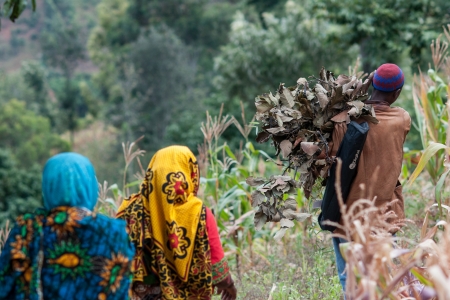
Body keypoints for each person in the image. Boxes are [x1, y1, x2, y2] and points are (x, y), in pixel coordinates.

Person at [0, 153, 134, 300]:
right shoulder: (114, 232)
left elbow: (5, 285)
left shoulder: (26, 229)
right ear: (91, 185)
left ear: (47, 186)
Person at [329, 63, 411, 292]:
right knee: (383, 280)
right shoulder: (401, 120)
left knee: (350, 281)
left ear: (372, 83)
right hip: (382, 218)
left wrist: (365, 85)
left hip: (347, 218)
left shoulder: (343, 120)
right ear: (397, 93)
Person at [117, 145, 237, 300]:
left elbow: (114, 257)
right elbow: (216, 263)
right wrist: (228, 286)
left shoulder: (130, 210)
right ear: (190, 173)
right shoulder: (199, 213)